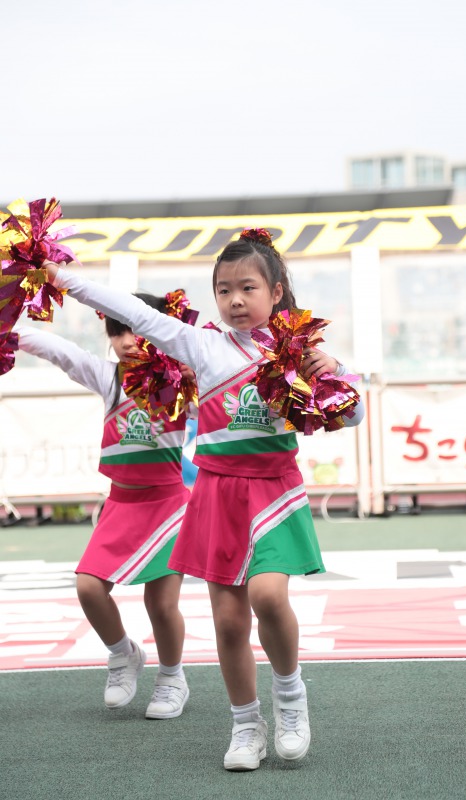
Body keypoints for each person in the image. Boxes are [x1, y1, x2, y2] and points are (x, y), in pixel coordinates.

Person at [43, 228, 365, 770]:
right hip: (217, 492)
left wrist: (333, 372)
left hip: (273, 490)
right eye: (223, 290)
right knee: (229, 620)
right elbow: (131, 310)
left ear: (276, 291)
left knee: (268, 596)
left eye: (248, 288)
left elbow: (352, 413)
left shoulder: (298, 351)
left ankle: (290, 699)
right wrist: (60, 278)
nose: (235, 300)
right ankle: (245, 725)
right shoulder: (203, 344)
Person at [15, 292, 195, 721]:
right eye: (117, 332)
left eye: (138, 330)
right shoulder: (108, 377)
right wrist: (10, 332)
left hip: (168, 505)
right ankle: (122, 654)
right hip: (121, 503)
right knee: (89, 587)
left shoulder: (184, 379)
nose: (128, 341)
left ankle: (172, 678)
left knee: (162, 604)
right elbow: (61, 351)